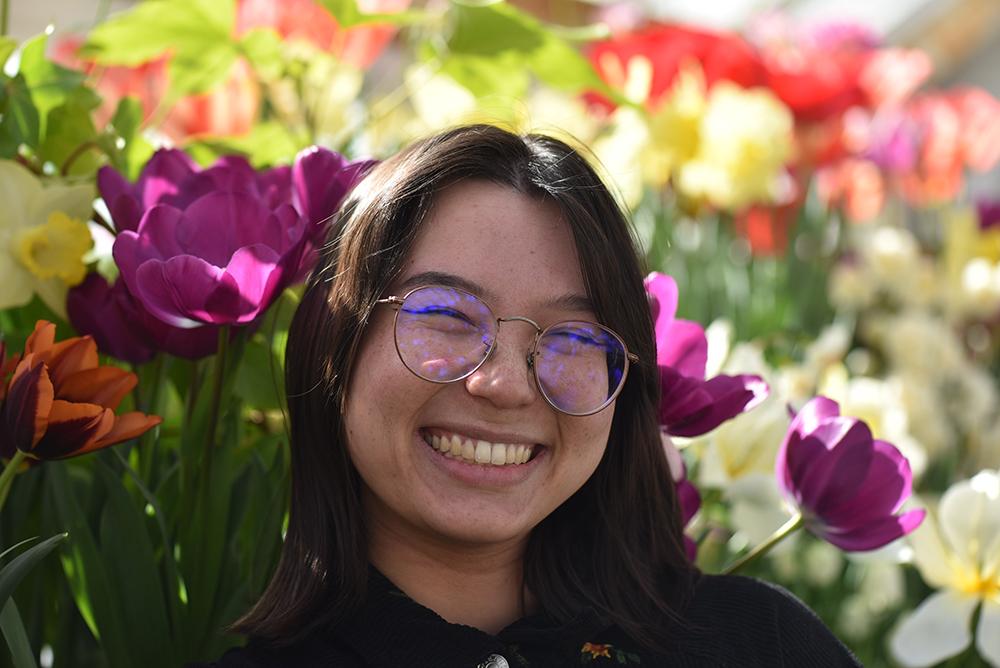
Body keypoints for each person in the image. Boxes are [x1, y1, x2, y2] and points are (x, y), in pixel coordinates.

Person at [196, 124, 861, 667]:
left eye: (573, 337)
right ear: (336, 345)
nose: (504, 385)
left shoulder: (759, 644)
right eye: (449, 316)